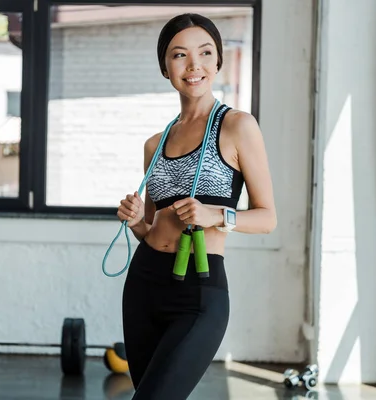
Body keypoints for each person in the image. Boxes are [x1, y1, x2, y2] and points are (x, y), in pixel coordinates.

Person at [117, 13, 277, 400]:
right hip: (144, 285)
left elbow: (268, 217)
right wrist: (138, 221)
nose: (194, 66)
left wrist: (217, 215)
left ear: (218, 60)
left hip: (199, 291)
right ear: (165, 66)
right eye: (179, 55)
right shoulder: (155, 144)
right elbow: (153, 229)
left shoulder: (238, 126)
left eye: (205, 53)